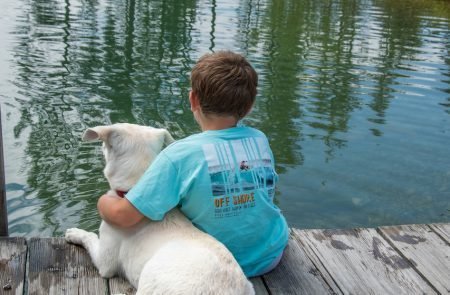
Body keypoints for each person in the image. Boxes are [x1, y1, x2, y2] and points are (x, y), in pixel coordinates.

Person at [97, 50, 289, 277]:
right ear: (249, 106)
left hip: (217, 267)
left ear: (193, 99)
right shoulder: (259, 139)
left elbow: (123, 216)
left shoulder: (181, 155)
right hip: (271, 253)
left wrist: (103, 202)